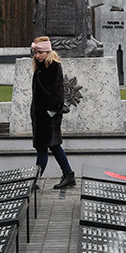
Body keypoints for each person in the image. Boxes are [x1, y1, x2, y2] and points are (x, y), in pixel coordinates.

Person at [30, 36, 75, 189]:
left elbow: (58, 93)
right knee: (51, 146)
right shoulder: (40, 66)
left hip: (48, 116)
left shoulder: (53, 66)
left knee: (47, 147)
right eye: (35, 53)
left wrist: (50, 113)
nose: (37, 56)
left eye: (39, 52)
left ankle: (35, 181)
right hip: (40, 115)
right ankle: (68, 175)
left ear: (47, 51)